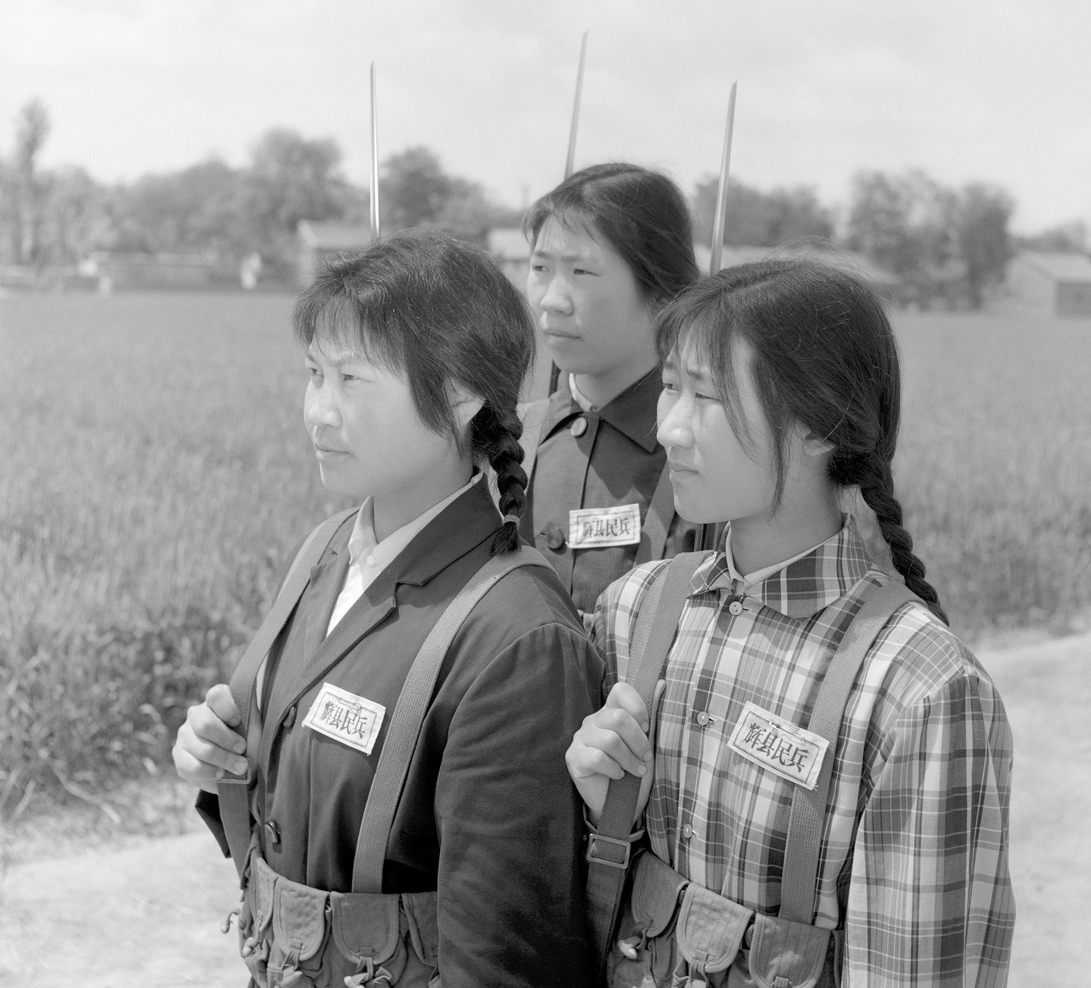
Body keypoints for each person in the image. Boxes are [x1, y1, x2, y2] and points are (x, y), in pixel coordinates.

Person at [566, 257, 1015, 987]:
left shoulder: (919, 691)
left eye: (705, 395)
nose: (670, 429)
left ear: (817, 425)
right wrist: (608, 806)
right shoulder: (635, 611)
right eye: (670, 386)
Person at [173, 233, 604, 988]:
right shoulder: (326, 550)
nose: (320, 413)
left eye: (352, 380)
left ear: (463, 395)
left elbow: (501, 958)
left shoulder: (516, 640)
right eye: (314, 374)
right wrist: (223, 768)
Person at [520, 162, 702, 619]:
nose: (551, 299)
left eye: (581, 272)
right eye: (541, 267)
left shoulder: (704, 456)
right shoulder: (503, 441)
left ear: (662, 290)